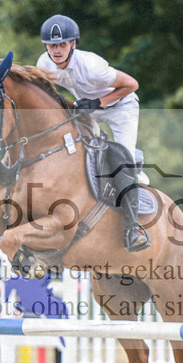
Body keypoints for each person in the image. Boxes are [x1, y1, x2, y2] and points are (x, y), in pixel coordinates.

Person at [36, 14, 149, 252]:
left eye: (62, 44)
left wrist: (98, 102)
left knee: (122, 161)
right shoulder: (43, 64)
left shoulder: (91, 65)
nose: (56, 50)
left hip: (121, 107)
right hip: (88, 108)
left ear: (73, 44)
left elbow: (132, 84)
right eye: (52, 45)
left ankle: (133, 229)